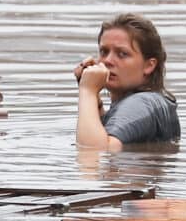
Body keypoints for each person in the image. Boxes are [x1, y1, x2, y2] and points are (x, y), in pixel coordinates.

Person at [74, 13, 180, 150]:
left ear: (149, 65)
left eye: (122, 54)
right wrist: (94, 100)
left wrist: (87, 91)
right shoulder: (151, 101)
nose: (107, 61)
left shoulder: (141, 103)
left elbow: (95, 153)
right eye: (104, 52)